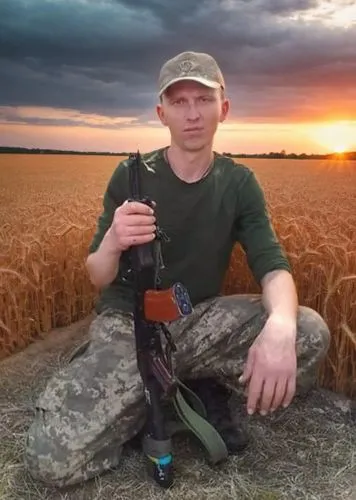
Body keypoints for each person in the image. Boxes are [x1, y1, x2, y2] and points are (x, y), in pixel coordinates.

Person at [24, 50, 331, 488]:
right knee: (51, 461)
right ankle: (167, 389)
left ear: (223, 109)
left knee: (308, 332)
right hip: (131, 323)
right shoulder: (130, 177)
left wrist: (280, 326)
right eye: (179, 101)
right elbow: (97, 274)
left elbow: (272, 265)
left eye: (204, 100)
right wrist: (114, 239)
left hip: (199, 319)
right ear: (161, 112)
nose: (192, 114)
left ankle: (177, 382)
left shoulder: (239, 182)